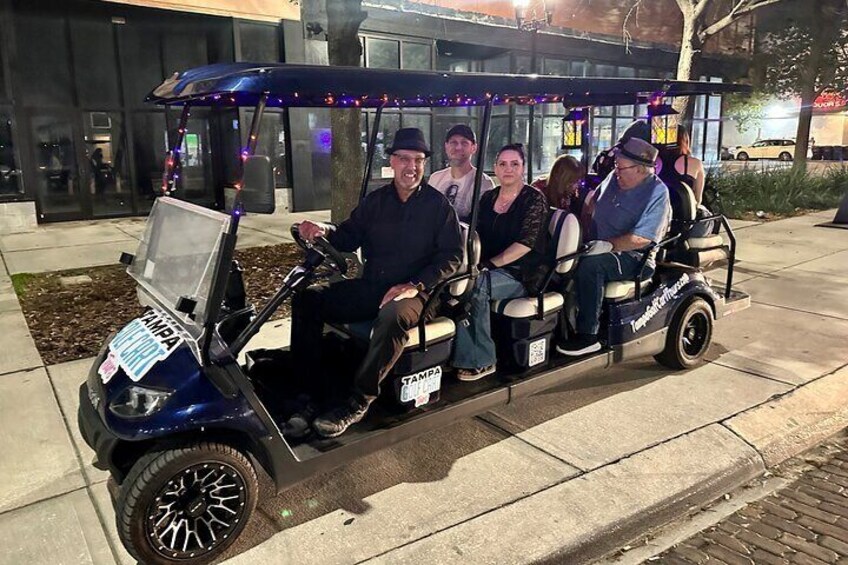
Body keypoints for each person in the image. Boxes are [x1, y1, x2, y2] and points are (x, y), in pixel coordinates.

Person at [291, 128, 463, 438]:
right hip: (374, 284)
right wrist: (323, 230)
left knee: (391, 316)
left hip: (417, 293)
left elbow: (452, 257)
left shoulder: (438, 207)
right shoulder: (376, 201)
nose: (411, 167)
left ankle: (359, 399)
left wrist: (415, 284)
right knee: (309, 298)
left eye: (418, 160)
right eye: (404, 159)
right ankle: (308, 390)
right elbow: (347, 235)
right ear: (392, 162)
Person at [557, 137, 671, 357]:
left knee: (591, 266)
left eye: (621, 167)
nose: (616, 170)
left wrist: (608, 245)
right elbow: (592, 203)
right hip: (595, 244)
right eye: (616, 165)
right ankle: (560, 323)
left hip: (633, 256)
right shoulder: (613, 178)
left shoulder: (657, 193)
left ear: (640, 169)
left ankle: (588, 335)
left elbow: (643, 238)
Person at [451, 143, 549, 381]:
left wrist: (490, 264)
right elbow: (473, 229)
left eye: (514, 164)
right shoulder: (488, 197)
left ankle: (481, 359)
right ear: (495, 168)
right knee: (452, 280)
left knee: (475, 286)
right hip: (486, 267)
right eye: (503, 164)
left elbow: (527, 243)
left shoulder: (533, 199)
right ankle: (453, 350)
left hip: (521, 272)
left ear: (523, 168)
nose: (508, 169)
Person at [429, 124, 495, 221]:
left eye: (464, 143)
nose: (458, 147)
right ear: (446, 146)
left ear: (474, 148)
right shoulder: (435, 178)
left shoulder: (484, 183)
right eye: (453, 142)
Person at [657, 125, 712, 237]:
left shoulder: (654, 162)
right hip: (685, 221)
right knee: (708, 215)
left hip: (659, 217)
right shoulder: (695, 163)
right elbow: (698, 199)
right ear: (685, 140)